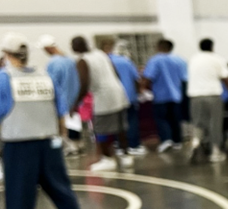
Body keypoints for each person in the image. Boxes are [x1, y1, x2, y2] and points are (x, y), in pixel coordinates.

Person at [0, 33, 91, 209]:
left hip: (19, 144)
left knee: (19, 193)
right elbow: (60, 111)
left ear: (6, 54)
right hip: (48, 142)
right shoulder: (45, 77)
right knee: (59, 187)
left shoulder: (2, 79)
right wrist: (60, 136)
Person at [71, 36, 131, 171]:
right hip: (118, 91)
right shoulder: (100, 54)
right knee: (120, 127)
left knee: (100, 130)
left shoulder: (83, 60)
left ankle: (107, 159)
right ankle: (126, 156)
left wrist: (75, 103)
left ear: (76, 47)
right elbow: (116, 73)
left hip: (103, 96)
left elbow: (84, 84)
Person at [187, 38, 228, 162]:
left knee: (198, 122)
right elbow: (226, 77)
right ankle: (215, 151)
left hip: (195, 96)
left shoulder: (193, 59)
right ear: (212, 47)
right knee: (215, 124)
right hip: (212, 95)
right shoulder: (217, 59)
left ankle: (195, 143)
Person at [101, 37, 144, 156]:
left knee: (117, 123)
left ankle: (120, 146)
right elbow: (136, 79)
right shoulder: (126, 61)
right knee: (131, 121)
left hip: (112, 98)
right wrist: (138, 92)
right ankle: (134, 145)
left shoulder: (105, 62)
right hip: (129, 96)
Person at [142, 38, 186, 153]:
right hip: (177, 95)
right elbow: (184, 79)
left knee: (162, 119)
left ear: (159, 47)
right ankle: (177, 141)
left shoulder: (155, 60)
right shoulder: (179, 61)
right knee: (175, 119)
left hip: (161, 96)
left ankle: (166, 139)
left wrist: (142, 89)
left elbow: (148, 77)